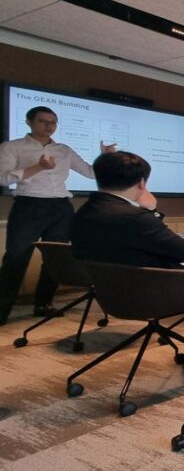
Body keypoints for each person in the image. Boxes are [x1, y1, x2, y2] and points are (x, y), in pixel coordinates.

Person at [71, 151, 184, 369]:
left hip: (111, 294)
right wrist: (150, 211)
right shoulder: (134, 217)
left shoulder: (82, 214)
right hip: (152, 293)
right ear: (141, 183)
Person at [0, 106, 115, 324]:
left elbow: (91, 173)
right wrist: (38, 167)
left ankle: (44, 304)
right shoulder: (12, 147)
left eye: (53, 122)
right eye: (43, 121)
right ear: (29, 122)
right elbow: (3, 179)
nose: (49, 126)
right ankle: (2, 309)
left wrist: (105, 157)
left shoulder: (64, 149)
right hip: (28, 205)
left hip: (60, 207)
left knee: (55, 258)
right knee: (16, 258)